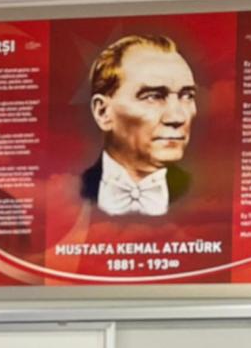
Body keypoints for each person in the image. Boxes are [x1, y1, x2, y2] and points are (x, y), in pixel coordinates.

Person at [79, 34, 197, 217]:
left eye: (187, 96)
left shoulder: (204, 193)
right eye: (153, 97)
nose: (177, 117)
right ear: (103, 112)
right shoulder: (73, 188)